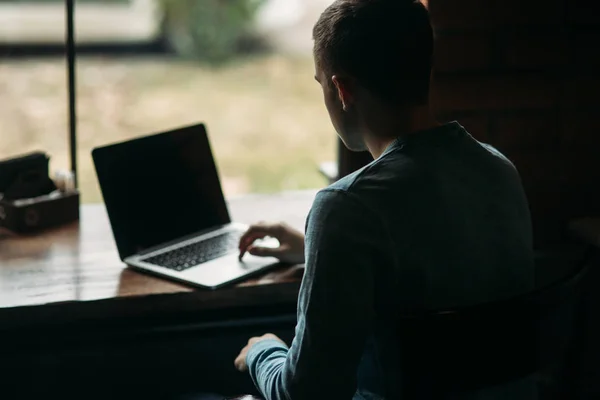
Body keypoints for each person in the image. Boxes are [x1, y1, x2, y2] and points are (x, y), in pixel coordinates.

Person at [234, 0, 536, 399]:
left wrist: (262, 350)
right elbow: (441, 265)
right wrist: (314, 250)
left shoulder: (347, 206)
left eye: (321, 83)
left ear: (342, 90)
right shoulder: (498, 169)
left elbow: (306, 392)